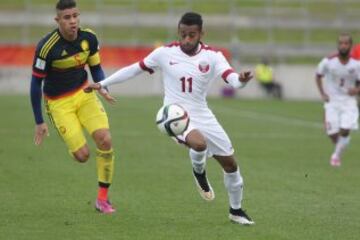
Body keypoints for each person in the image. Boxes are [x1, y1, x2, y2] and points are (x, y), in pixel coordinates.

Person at [86, 12, 254, 225]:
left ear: (201, 33)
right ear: (178, 32)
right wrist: (103, 83)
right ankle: (199, 172)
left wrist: (242, 79)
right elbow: (134, 70)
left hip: (202, 113)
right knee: (199, 144)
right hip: (174, 114)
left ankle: (236, 211)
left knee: (231, 165)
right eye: (183, 34)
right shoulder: (164, 54)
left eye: (192, 35)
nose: (186, 39)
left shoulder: (213, 56)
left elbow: (233, 80)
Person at [30, 0, 116, 213]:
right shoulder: (46, 47)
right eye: (67, 17)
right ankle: (72, 138)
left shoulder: (89, 38)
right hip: (59, 104)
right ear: (57, 20)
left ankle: (102, 200)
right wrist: (39, 121)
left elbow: (96, 68)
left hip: (85, 94)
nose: (73, 21)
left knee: (105, 139)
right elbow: (35, 83)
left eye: (75, 16)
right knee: (83, 156)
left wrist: (102, 86)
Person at [315, 33, 360, 167]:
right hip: (332, 101)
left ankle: (336, 156)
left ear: (350, 46)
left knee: (345, 129)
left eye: (346, 43)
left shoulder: (356, 64)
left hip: (348, 101)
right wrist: (322, 93)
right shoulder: (328, 61)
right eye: (341, 43)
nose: (343, 45)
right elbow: (318, 76)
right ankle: (341, 145)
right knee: (333, 134)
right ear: (338, 45)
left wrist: (357, 90)